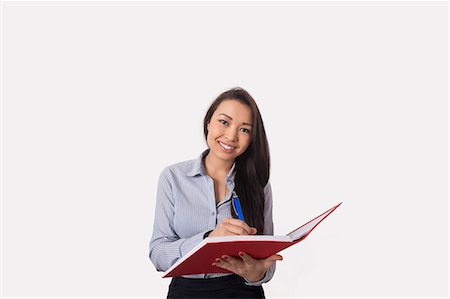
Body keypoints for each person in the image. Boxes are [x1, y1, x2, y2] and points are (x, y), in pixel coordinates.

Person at [149, 87, 283, 298]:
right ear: (208, 122)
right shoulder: (173, 178)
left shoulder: (259, 185)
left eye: (245, 129)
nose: (231, 135)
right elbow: (158, 254)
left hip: (243, 292)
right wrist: (207, 240)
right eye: (224, 122)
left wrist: (256, 274)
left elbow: (267, 264)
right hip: (186, 292)